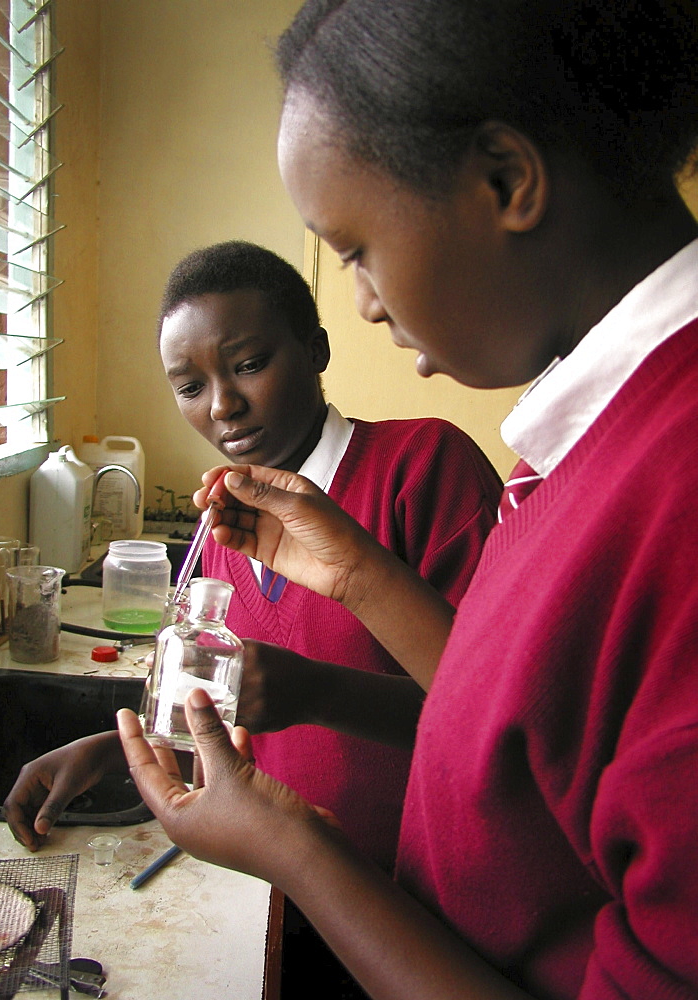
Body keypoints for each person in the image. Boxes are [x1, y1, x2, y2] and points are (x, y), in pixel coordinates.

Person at [114, 1, 698, 999]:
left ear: (506, 181)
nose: (366, 302)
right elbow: (530, 733)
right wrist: (352, 569)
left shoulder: (670, 486)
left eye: (352, 248)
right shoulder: (584, 438)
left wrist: (296, 847)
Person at [4, 241, 501, 877]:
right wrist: (119, 754)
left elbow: (500, 716)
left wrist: (318, 692)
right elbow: (247, 728)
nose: (220, 406)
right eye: (189, 386)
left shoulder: (421, 468)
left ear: (316, 349)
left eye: (249, 364)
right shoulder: (225, 528)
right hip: (287, 883)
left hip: (417, 888)